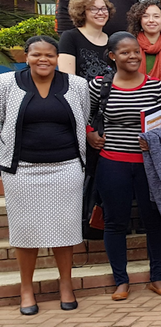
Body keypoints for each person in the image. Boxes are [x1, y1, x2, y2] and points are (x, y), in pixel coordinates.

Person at [0, 36, 88, 315]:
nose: (43, 59)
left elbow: (83, 117)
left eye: (49, 55)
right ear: (26, 56)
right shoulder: (5, 84)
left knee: (65, 229)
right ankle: (27, 289)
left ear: (57, 58)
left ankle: (66, 285)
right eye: (36, 54)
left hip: (67, 167)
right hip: (21, 170)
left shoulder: (77, 85)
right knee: (24, 231)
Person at [89, 32, 161, 300]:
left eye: (136, 51)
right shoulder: (99, 86)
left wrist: (157, 138)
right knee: (115, 222)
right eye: (125, 52)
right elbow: (84, 117)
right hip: (112, 163)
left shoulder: (156, 87)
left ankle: (157, 278)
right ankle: (121, 281)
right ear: (112, 56)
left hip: (150, 166)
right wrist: (90, 134)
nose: (133, 56)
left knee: (155, 221)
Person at [58, 0, 113, 79]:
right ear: (82, 12)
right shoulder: (70, 37)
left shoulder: (112, 40)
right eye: (93, 9)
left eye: (104, 8)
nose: (101, 13)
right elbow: (67, 77)